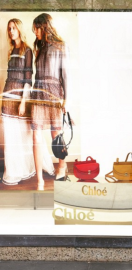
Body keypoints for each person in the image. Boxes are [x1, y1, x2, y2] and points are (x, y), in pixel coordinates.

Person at [1, 18, 54, 186]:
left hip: (20, 98)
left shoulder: (27, 50)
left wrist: (24, 101)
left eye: (14, 28)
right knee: (11, 138)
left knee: (27, 135)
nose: (11, 31)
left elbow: (27, 78)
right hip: (8, 98)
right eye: (9, 29)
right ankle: (14, 171)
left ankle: (37, 167)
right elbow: (9, 77)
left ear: (19, 30)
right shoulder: (11, 51)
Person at [31, 13, 70, 188]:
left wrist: (66, 99)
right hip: (38, 94)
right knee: (36, 135)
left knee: (56, 135)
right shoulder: (38, 48)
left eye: (36, 28)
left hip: (55, 93)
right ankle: (39, 180)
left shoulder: (61, 46)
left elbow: (65, 75)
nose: (35, 32)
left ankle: (62, 166)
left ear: (44, 26)